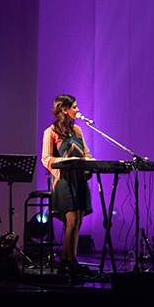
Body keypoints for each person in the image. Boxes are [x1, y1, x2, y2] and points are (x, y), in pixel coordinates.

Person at [40, 94, 94, 275]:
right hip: (63, 179)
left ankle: (65, 260)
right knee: (71, 220)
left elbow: (85, 152)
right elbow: (46, 158)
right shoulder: (51, 132)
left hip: (79, 178)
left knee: (78, 221)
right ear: (64, 109)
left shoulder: (77, 130)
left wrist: (89, 161)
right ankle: (72, 261)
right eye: (75, 107)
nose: (77, 110)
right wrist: (65, 160)